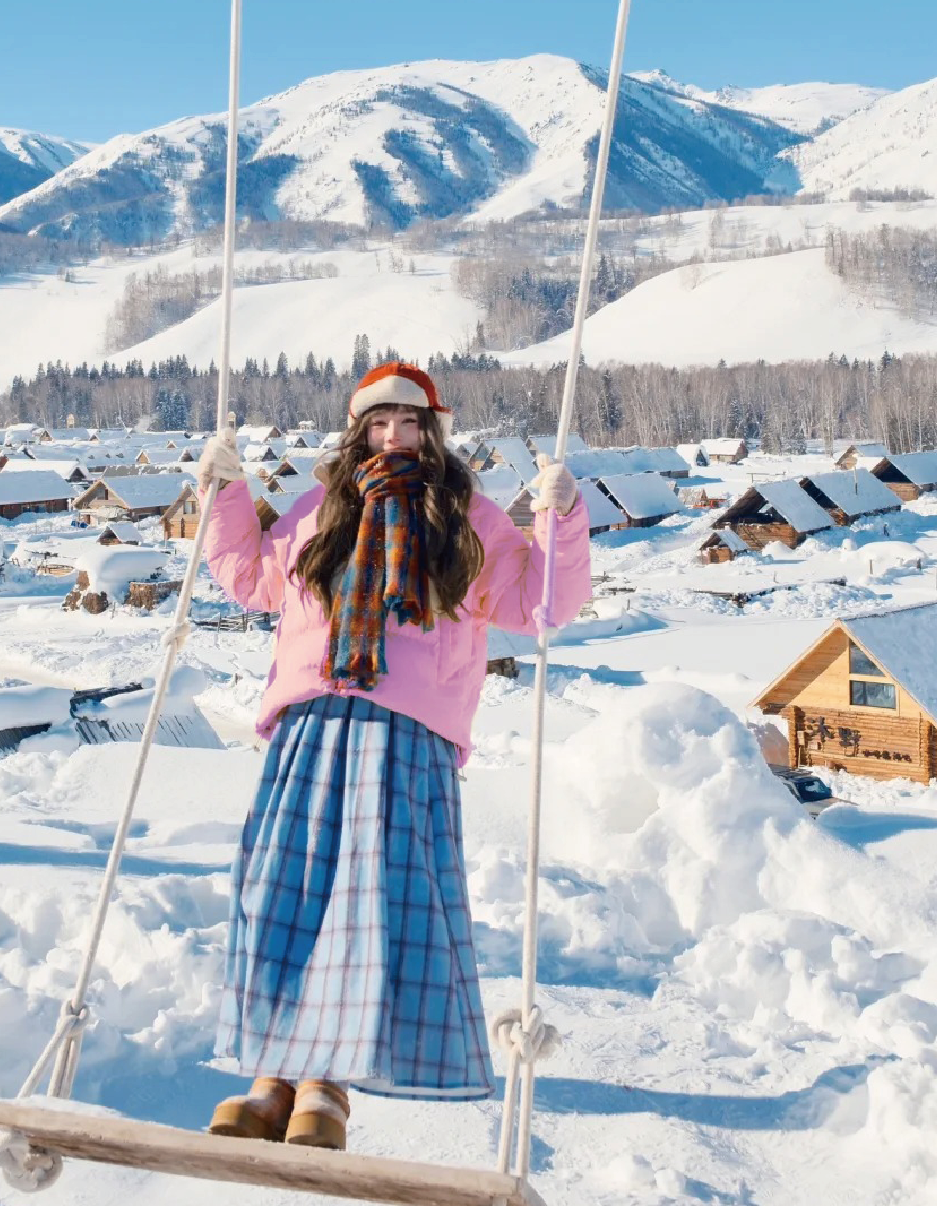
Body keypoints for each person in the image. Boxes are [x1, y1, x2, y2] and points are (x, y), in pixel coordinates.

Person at [196, 362, 591, 1151]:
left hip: (407, 731)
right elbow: (253, 581)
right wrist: (225, 494)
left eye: (410, 422)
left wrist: (565, 517)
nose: (394, 436)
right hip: (312, 719)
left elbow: (539, 604)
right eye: (379, 422)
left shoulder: (464, 514)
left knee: (368, 903)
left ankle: (327, 1089)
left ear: (433, 430)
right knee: (284, 895)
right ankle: (271, 1081)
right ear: (358, 430)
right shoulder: (323, 506)